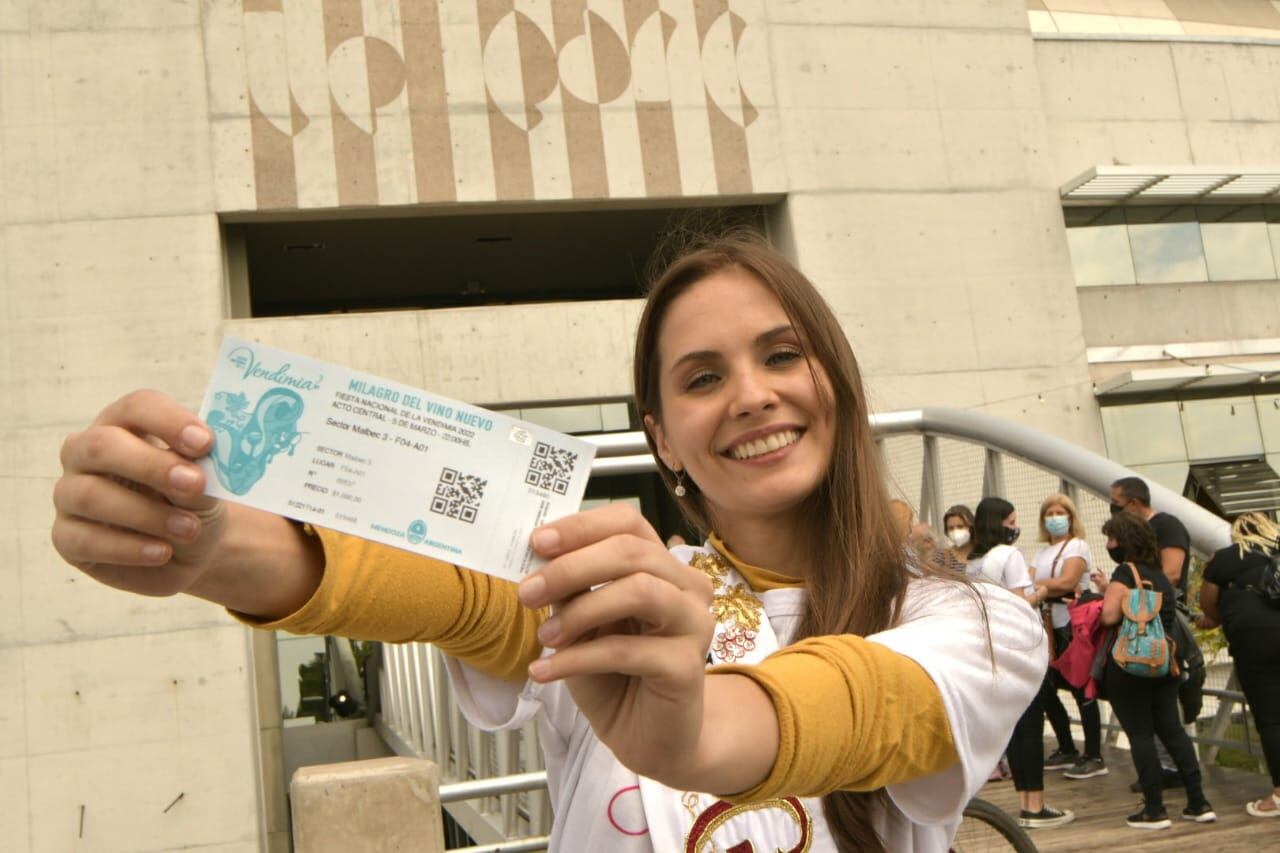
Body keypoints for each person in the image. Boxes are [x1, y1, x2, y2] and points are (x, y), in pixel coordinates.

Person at [49, 232, 1046, 852]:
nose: (750, 394)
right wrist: (209, 542)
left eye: (782, 354)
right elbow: (464, 598)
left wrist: (690, 728)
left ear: (835, 376)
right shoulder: (626, 586)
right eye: (699, 378)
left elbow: (860, 704)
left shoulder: (971, 619)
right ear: (660, 437)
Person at [1099, 512, 1215, 830]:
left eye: (1112, 538)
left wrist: (1102, 598)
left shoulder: (1126, 572)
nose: (1109, 545)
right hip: (1163, 661)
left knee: (1140, 734)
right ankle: (1198, 802)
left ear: (1124, 541)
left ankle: (1154, 809)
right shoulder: (1161, 575)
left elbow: (1109, 616)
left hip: (1130, 664)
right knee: (1172, 731)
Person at [967, 497, 1073, 829]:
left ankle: (1024, 802)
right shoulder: (1008, 555)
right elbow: (1017, 602)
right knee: (1032, 725)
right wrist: (1039, 594)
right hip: (1022, 647)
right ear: (1001, 523)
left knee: (1014, 728)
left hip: (991, 649)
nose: (1015, 526)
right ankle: (1035, 806)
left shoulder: (972, 561)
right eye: (1011, 521)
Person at [1110, 476, 1195, 788]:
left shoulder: (1168, 526)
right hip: (1139, 622)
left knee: (1165, 708)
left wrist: (1132, 593)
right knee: (1149, 707)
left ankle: (1174, 771)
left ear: (1133, 503)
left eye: (1116, 503)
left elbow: (1171, 573)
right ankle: (1165, 770)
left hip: (1162, 620)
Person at [1197, 512, 1280, 819]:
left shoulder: (1226, 557)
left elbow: (1208, 603)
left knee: (1271, 718)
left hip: (1254, 642)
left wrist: (1216, 618)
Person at [1031, 494, 1105, 781]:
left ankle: (1094, 754)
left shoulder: (1078, 546)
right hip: (1048, 626)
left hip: (1072, 626)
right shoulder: (1041, 553)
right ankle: (1066, 746)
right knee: (1046, 689)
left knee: (1081, 689)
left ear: (1071, 517)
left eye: (1060, 512)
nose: (1054, 517)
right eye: (1049, 513)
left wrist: (1037, 585)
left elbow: (1067, 582)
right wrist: (1044, 587)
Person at [942, 504, 975, 573]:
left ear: (971, 527)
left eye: (960, 527)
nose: (955, 531)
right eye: (951, 528)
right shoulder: (944, 558)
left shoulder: (984, 554)